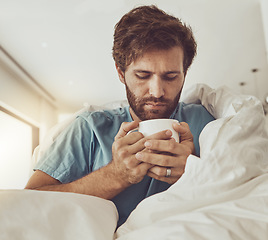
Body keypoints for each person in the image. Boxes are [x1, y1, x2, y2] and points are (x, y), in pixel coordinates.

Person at [25, 5, 215, 226]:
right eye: (143, 75)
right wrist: (115, 175)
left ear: (184, 74)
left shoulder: (207, 122)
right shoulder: (89, 129)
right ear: (120, 73)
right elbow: (30, 201)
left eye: (171, 77)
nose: (157, 92)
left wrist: (196, 174)